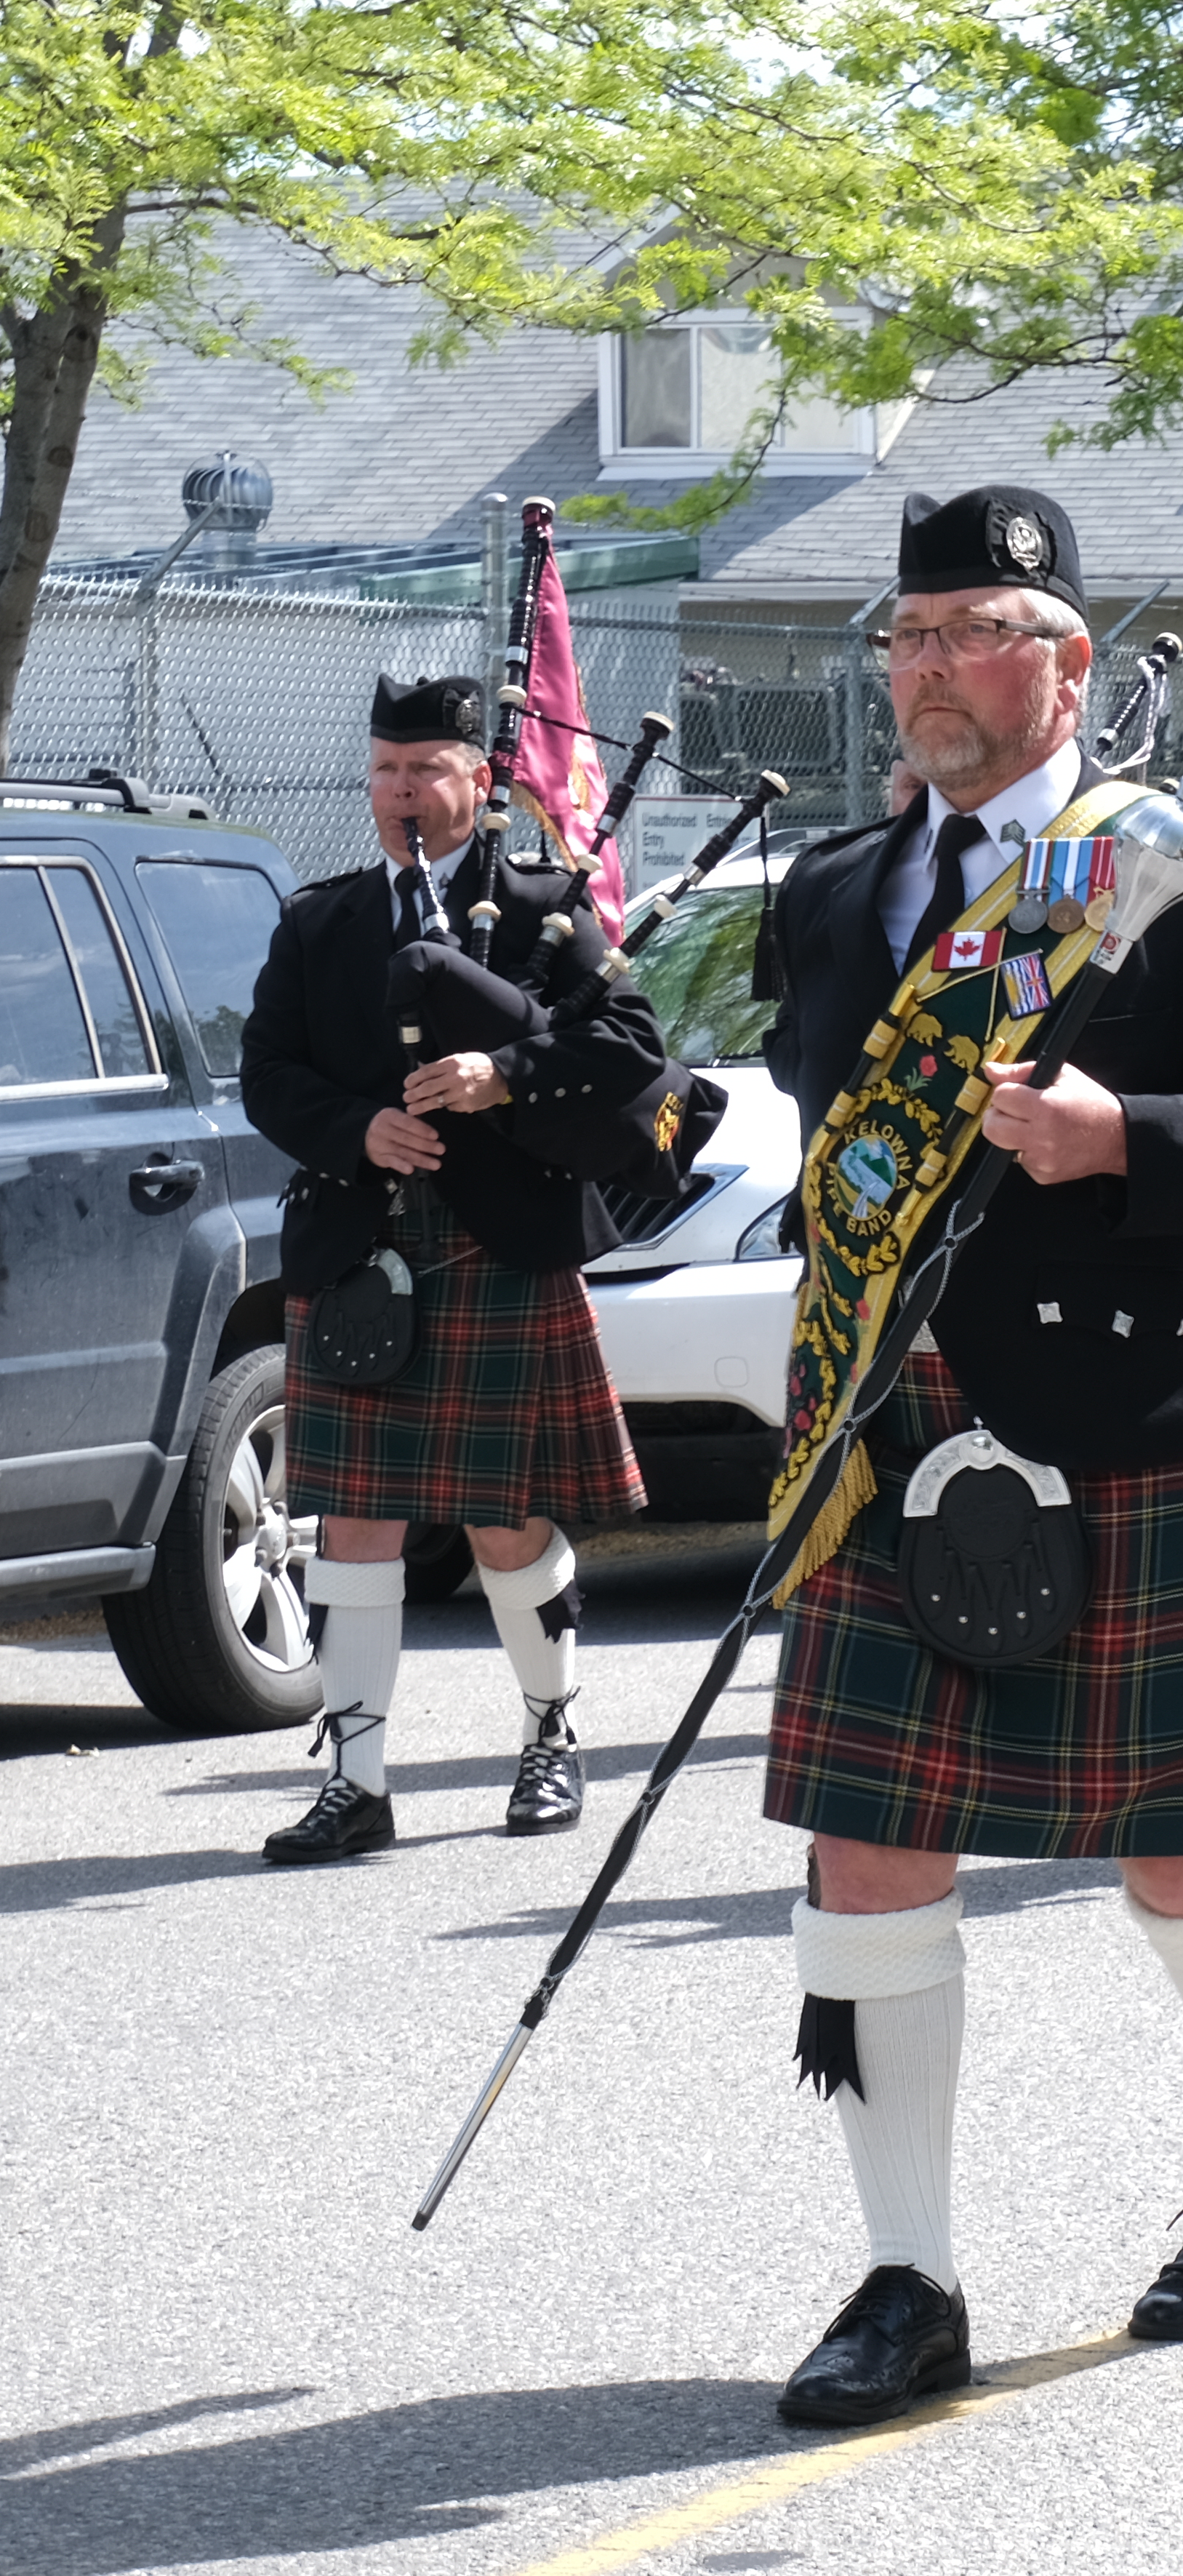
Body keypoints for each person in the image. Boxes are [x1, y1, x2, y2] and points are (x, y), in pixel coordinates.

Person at [755, 486, 1183, 2420]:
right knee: (867, 1850)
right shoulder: (836, 891)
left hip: (1130, 1423)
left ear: (1070, 660)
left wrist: (1130, 1139)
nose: (931, 669)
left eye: (976, 632)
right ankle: (906, 2277)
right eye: (909, 636)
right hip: (898, 1424)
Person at [238, 676, 664, 1861]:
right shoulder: (321, 922)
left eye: (425, 769)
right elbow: (267, 1073)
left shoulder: (543, 908)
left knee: (504, 1523)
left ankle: (549, 1735)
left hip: (498, 1245)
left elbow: (631, 1048)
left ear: (480, 781)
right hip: (359, 1248)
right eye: (384, 770)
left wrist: (503, 1076)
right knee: (354, 1525)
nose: (401, 792)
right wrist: (357, 1130)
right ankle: (357, 1782)